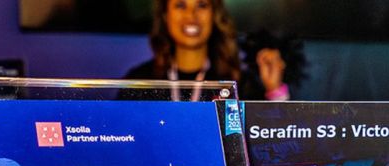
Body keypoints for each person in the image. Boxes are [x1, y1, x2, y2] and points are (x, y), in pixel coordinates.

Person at [124, 0, 289, 100]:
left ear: (214, 15)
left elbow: (271, 141)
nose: (191, 16)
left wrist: (274, 90)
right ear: (166, 16)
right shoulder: (139, 82)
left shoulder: (239, 84)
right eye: (180, 5)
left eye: (202, 5)